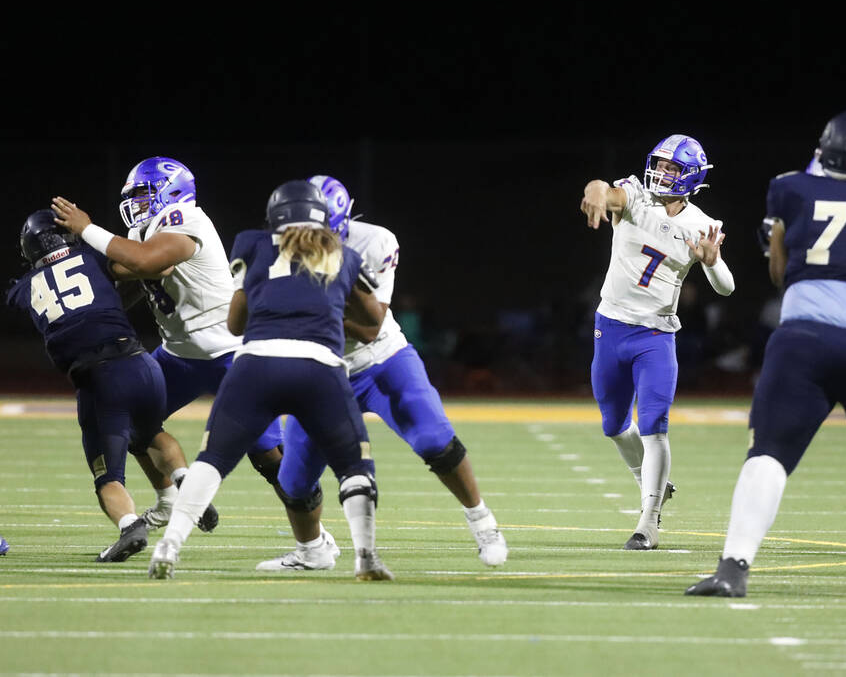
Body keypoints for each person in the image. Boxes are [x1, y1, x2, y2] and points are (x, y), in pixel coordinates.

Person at [686, 110, 846, 599]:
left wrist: (781, 244)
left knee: (768, 454)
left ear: (823, 152)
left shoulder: (790, 189)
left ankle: (732, 569)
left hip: (805, 342)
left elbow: (781, 273)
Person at [256, 175, 506, 572]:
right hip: (323, 371)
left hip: (380, 359)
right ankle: (312, 552)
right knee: (293, 482)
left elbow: (371, 326)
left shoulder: (374, 242)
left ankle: (483, 523)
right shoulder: (272, 251)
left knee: (436, 440)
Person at [147, 180, 391, 580]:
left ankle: (170, 544)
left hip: (257, 364)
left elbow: (235, 322)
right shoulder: (343, 255)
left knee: (212, 461)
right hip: (320, 368)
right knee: (354, 466)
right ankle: (365, 556)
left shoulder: (251, 244)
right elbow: (373, 320)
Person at [51, 157, 285, 530]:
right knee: (130, 417)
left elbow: (145, 262)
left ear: (171, 191)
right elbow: (134, 275)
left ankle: (315, 538)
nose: (136, 203)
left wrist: (88, 230)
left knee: (269, 457)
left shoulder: (185, 219)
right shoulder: (144, 233)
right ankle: (168, 500)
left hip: (228, 352)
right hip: (179, 355)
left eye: (143, 193)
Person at [580, 134, 734, 550]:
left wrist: (713, 262)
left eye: (672, 168)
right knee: (614, 425)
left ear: (691, 177)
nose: (662, 173)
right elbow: (605, 191)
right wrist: (595, 189)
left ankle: (649, 519)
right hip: (610, 328)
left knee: (654, 427)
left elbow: (726, 288)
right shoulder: (635, 197)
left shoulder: (700, 225)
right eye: (660, 165)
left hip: (656, 335)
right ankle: (648, 481)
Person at [6, 209, 170, 563]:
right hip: (143, 362)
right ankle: (182, 487)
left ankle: (130, 525)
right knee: (151, 434)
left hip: (98, 378)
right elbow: (144, 268)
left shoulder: (22, 290)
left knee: (107, 475)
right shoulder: (93, 256)